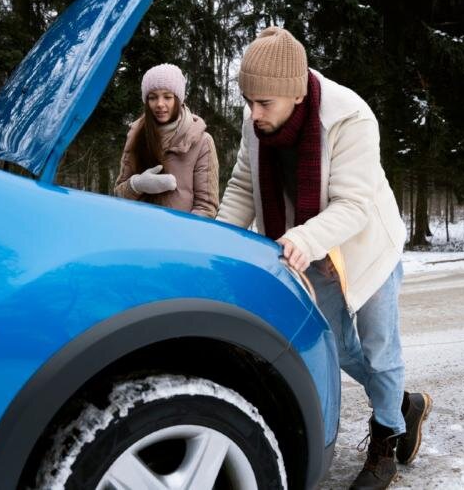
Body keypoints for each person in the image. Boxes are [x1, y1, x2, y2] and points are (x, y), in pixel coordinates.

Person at [217, 27, 432, 490]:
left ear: (295, 94)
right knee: (334, 348)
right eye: (248, 101)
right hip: (309, 246)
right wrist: (218, 241)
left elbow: (353, 205)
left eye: (263, 104)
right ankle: (404, 404)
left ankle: (386, 439)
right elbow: (241, 186)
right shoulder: (258, 115)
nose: (253, 113)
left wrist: (303, 238)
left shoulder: (351, 116)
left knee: (379, 350)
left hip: (362, 244)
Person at [114, 63, 219, 218]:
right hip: (138, 232)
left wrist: (179, 235)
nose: (160, 104)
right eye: (153, 97)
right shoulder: (136, 136)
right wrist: (136, 185)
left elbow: (206, 206)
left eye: (167, 97)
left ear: (179, 99)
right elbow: (118, 195)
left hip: (179, 237)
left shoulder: (202, 142)